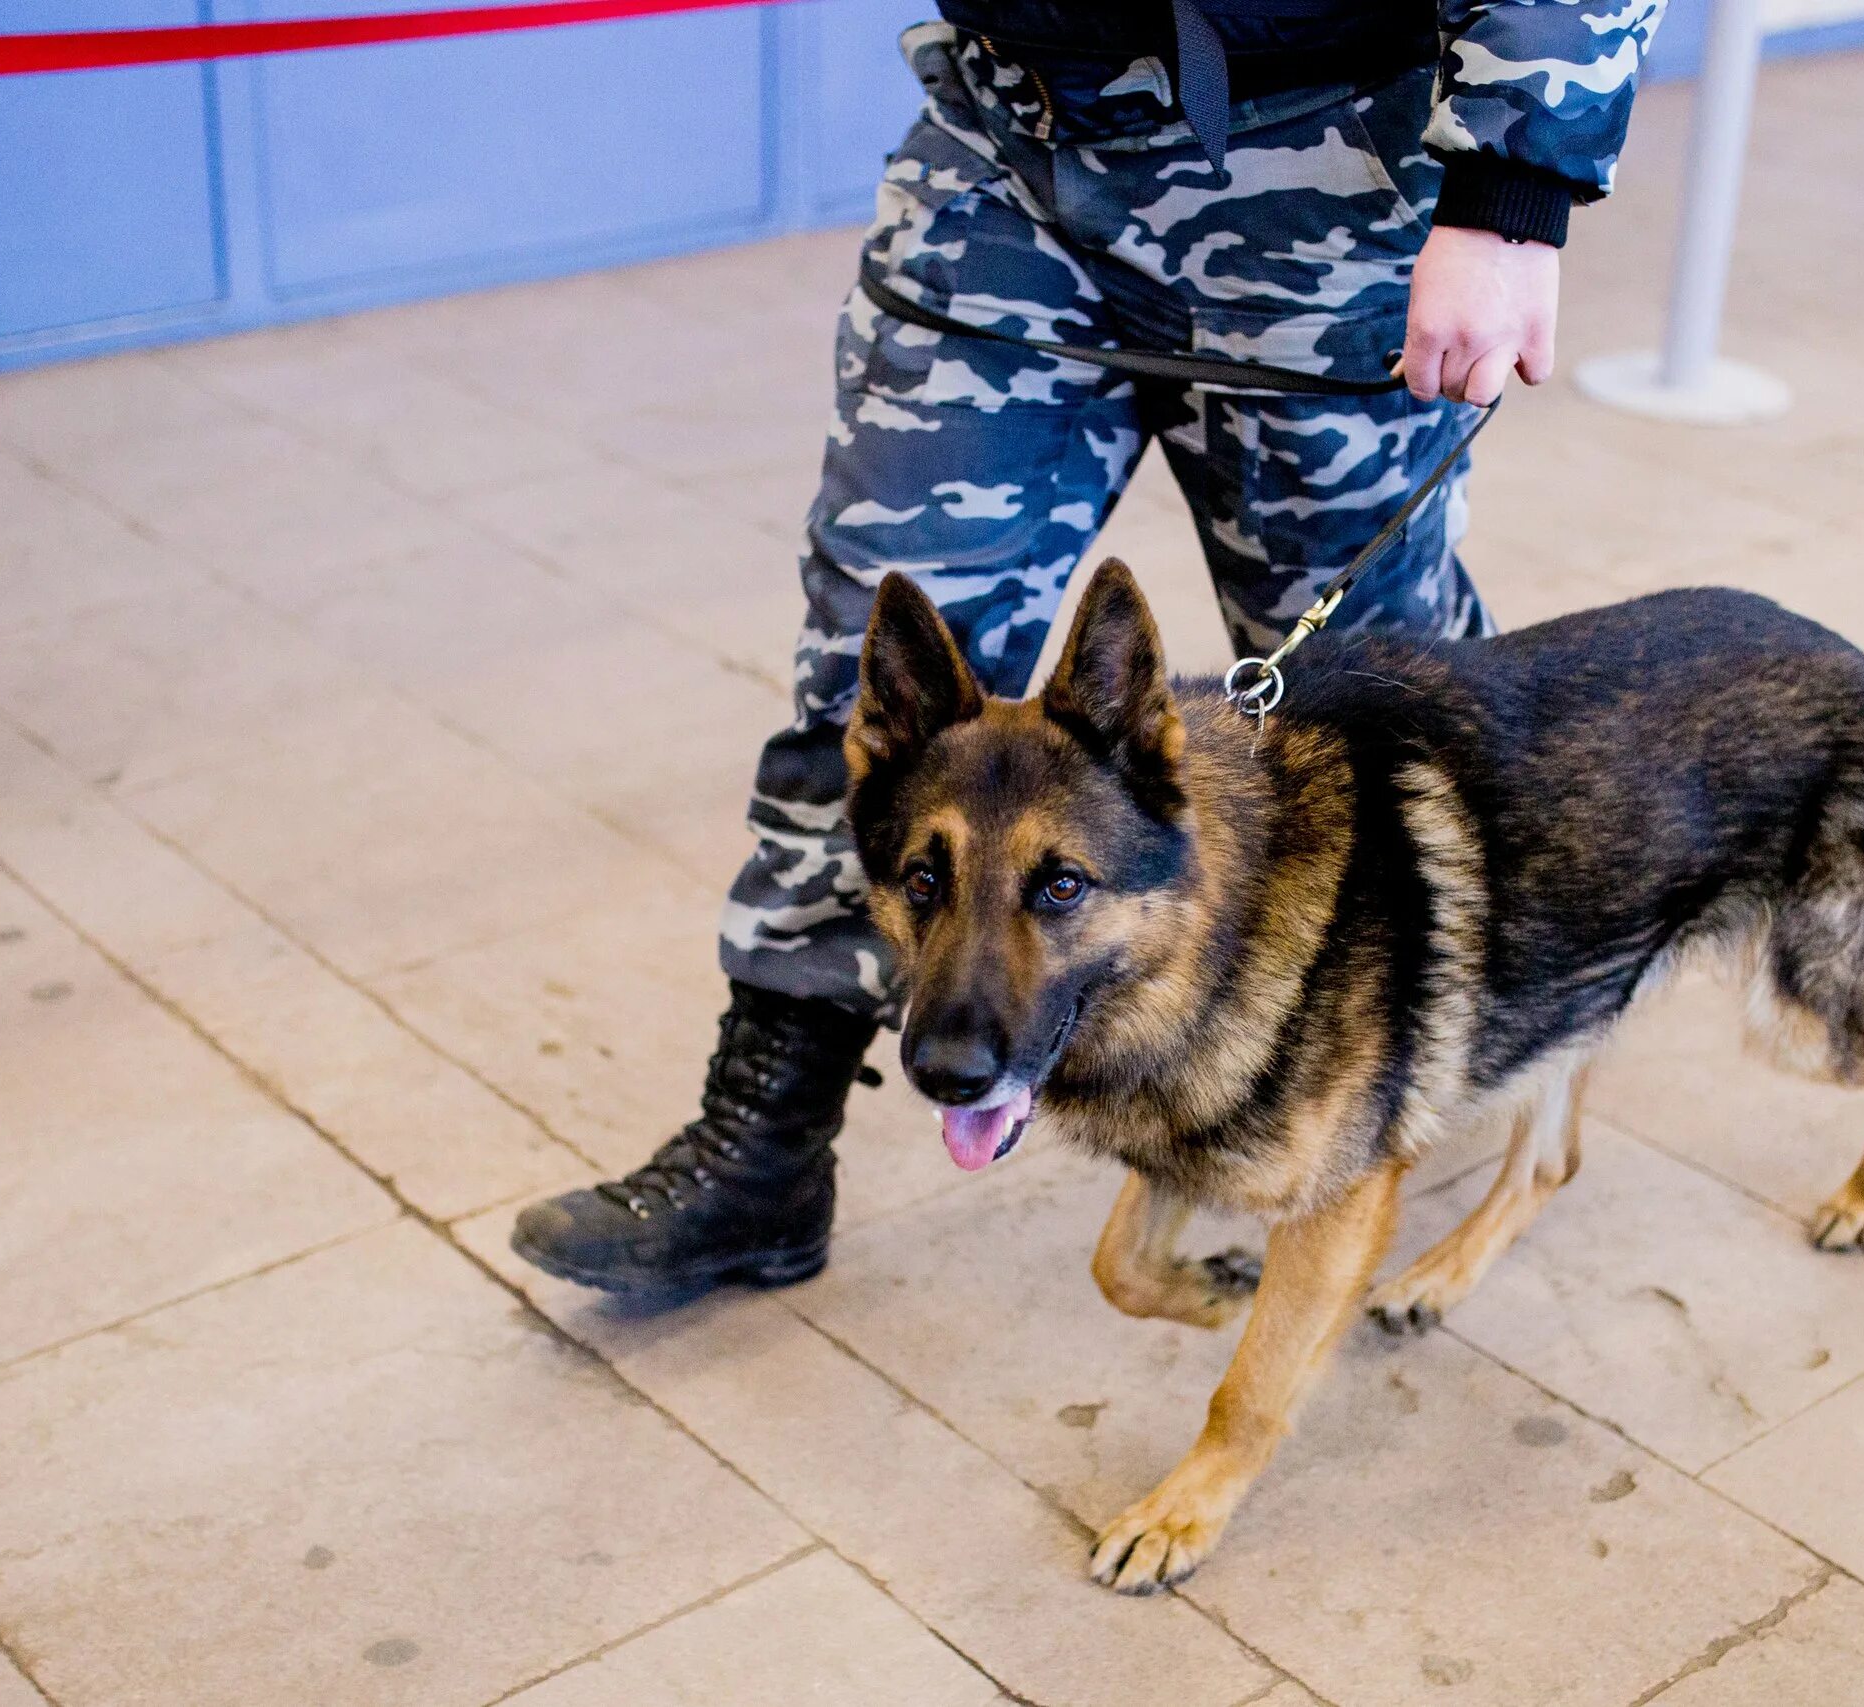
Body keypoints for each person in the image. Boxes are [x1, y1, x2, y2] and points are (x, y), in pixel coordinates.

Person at [511, 0, 1665, 1308]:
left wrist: (1512, 186)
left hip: (1329, 158)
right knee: (882, 697)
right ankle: (766, 1137)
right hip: (1015, 145)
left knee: (1372, 690)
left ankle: (1422, 1057)